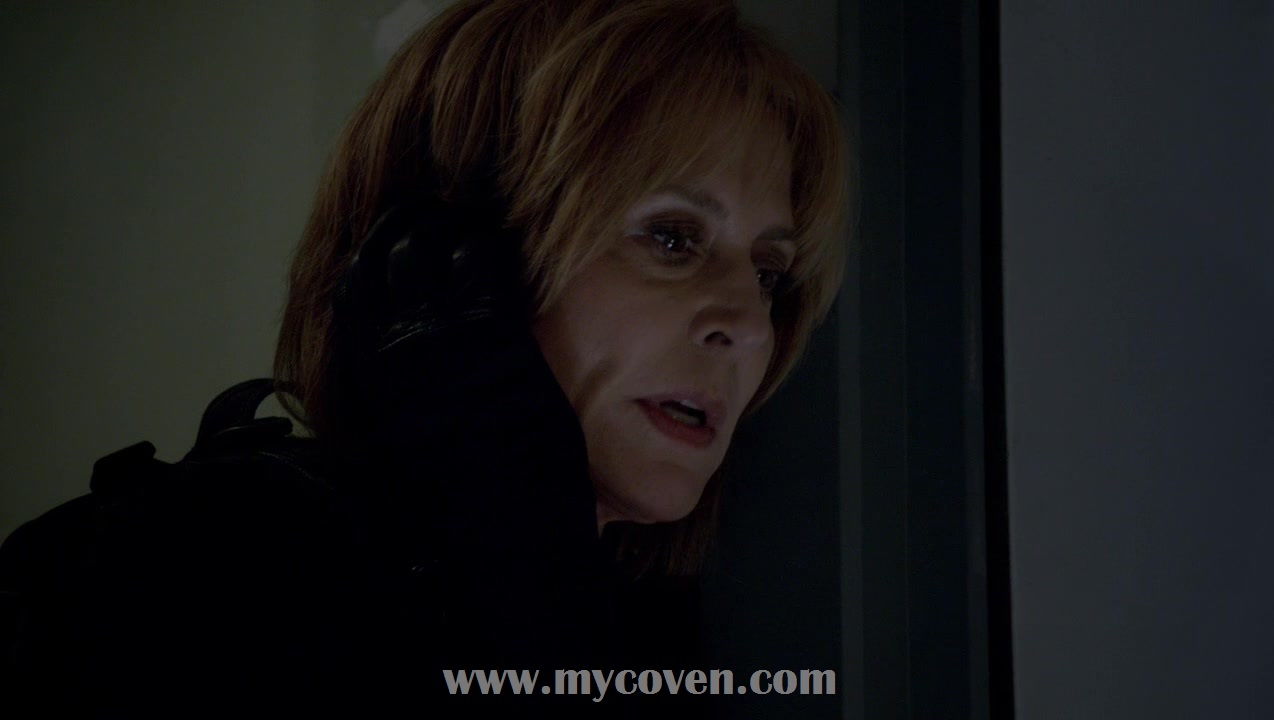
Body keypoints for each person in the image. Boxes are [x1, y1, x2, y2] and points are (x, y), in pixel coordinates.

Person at [0, 0, 849, 716]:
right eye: (671, 237)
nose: (748, 324)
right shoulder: (180, 575)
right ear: (449, 257)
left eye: (767, 273)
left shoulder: (666, 640)